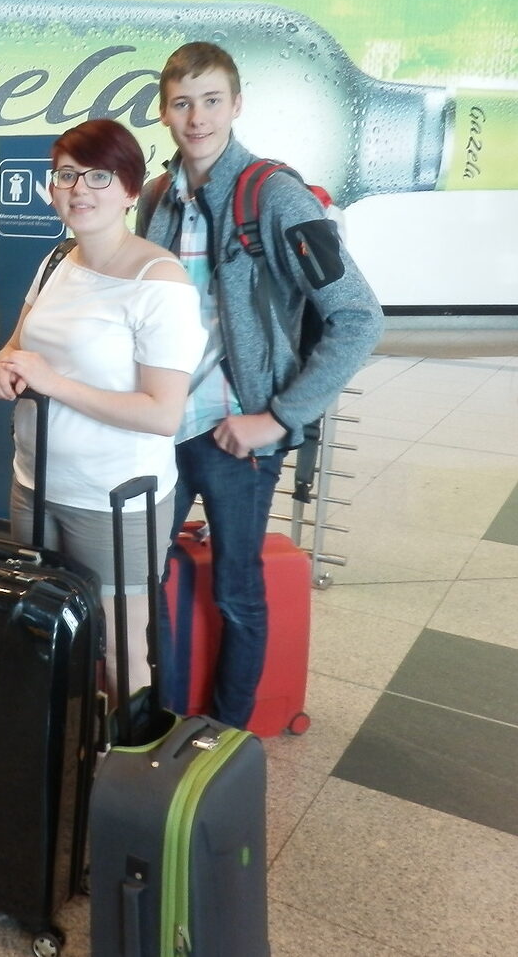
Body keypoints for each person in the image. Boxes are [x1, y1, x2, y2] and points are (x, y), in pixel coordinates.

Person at [139, 41, 383, 727]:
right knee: (143, 577)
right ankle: (155, 722)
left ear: (236, 105)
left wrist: (278, 418)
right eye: (183, 103)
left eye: (211, 101)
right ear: (164, 111)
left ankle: (226, 736)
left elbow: (359, 318)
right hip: (163, 427)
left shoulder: (275, 195)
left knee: (238, 593)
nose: (197, 118)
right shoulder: (158, 198)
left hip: (237, 433)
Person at [0, 119, 205, 699]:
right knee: (49, 628)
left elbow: (163, 414)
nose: (79, 188)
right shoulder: (57, 260)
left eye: (99, 175)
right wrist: (2, 368)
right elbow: (18, 344)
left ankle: (122, 773)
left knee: (121, 646)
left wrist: (53, 383)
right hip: (35, 483)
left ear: (131, 189)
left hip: (116, 499)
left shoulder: (162, 282)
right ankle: (65, 752)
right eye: (66, 175)